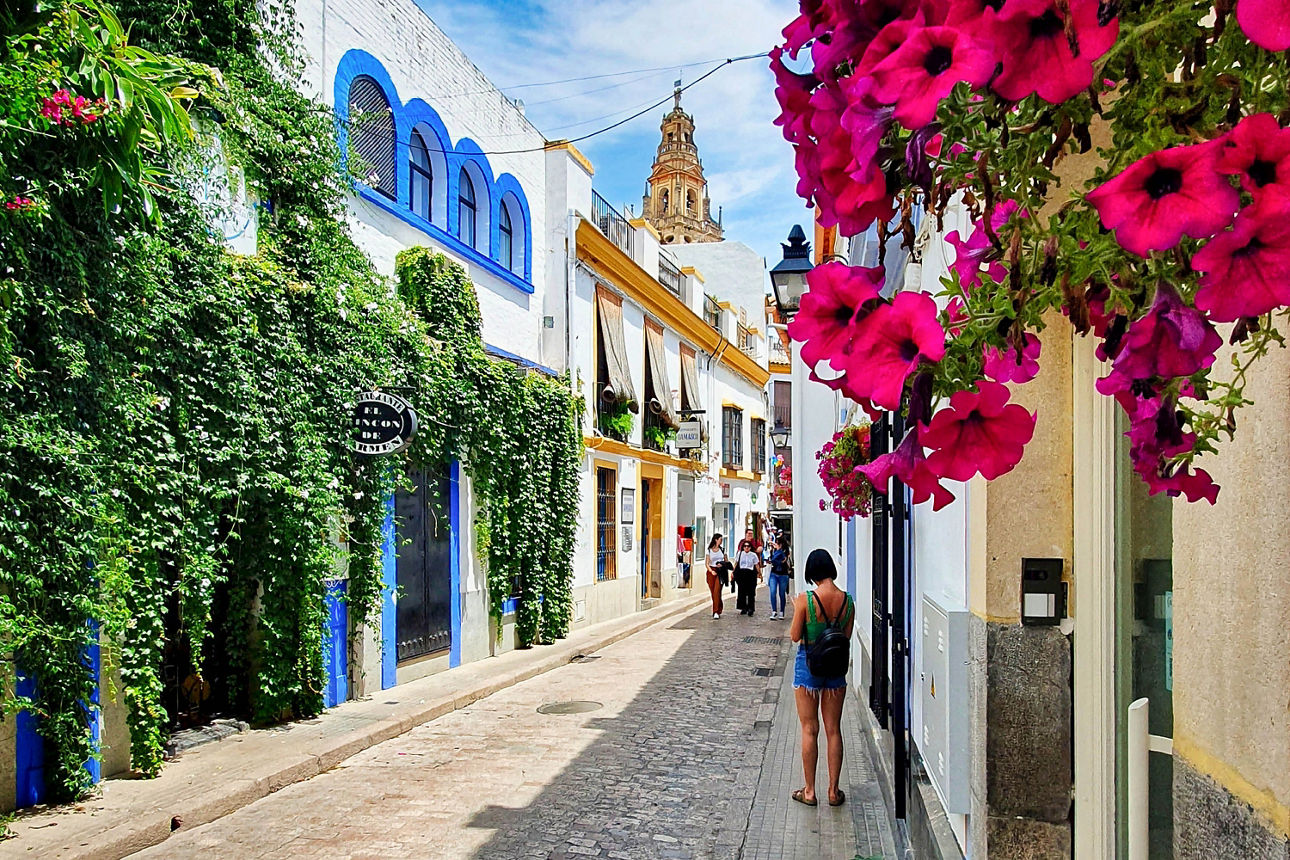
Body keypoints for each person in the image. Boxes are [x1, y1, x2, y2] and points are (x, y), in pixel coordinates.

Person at [789, 549, 854, 808]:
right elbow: (846, 637)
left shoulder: (806, 600)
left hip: (808, 667)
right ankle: (833, 791)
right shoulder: (848, 601)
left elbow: (795, 636)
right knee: (833, 729)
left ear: (812, 572)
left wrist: (797, 609)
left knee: (809, 728)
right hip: (835, 669)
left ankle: (809, 791)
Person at [732, 538, 762, 616]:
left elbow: (756, 565)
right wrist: (733, 572)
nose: (746, 547)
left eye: (748, 546)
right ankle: (743, 608)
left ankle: (751, 608)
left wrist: (759, 574)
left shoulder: (753, 555)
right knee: (742, 591)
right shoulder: (740, 553)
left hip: (750, 573)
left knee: (751, 592)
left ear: (750, 547)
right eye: (745, 546)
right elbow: (736, 563)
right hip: (742, 573)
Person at [704, 534, 729, 619]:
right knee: (713, 592)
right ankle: (719, 607)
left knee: (717, 591)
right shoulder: (709, 550)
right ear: (715, 540)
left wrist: (722, 565)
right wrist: (711, 571)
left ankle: (715, 611)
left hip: (720, 572)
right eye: (720, 539)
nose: (721, 541)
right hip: (711, 571)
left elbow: (726, 561)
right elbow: (707, 563)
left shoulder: (722, 550)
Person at [768, 536, 791, 620]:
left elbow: (776, 559)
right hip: (774, 573)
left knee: (782, 593)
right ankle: (774, 611)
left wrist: (778, 550)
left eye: (777, 543)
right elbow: (772, 560)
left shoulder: (784, 551)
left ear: (780, 544)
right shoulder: (774, 550)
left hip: (783, 574)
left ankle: (782, 611)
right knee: (772, 592)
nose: (775, 544)